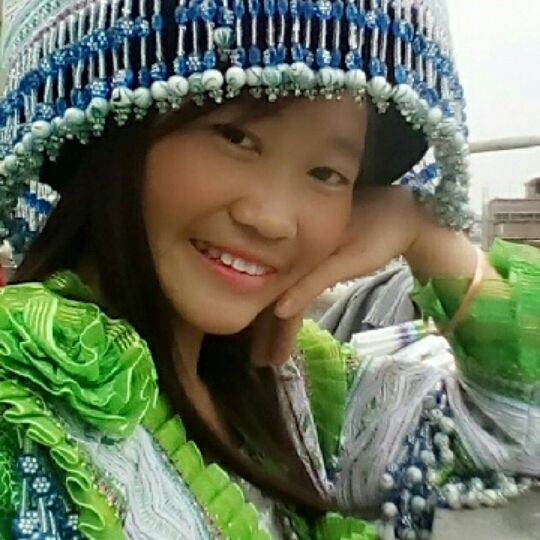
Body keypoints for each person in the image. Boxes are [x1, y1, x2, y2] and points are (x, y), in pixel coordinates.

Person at [0, 1, 537, 539]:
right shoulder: (22, 397)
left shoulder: (290, 388)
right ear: (117, 124)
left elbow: (517, 426)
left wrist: (425, 232)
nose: (273, 219)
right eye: (237, 138)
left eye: (326, 173)